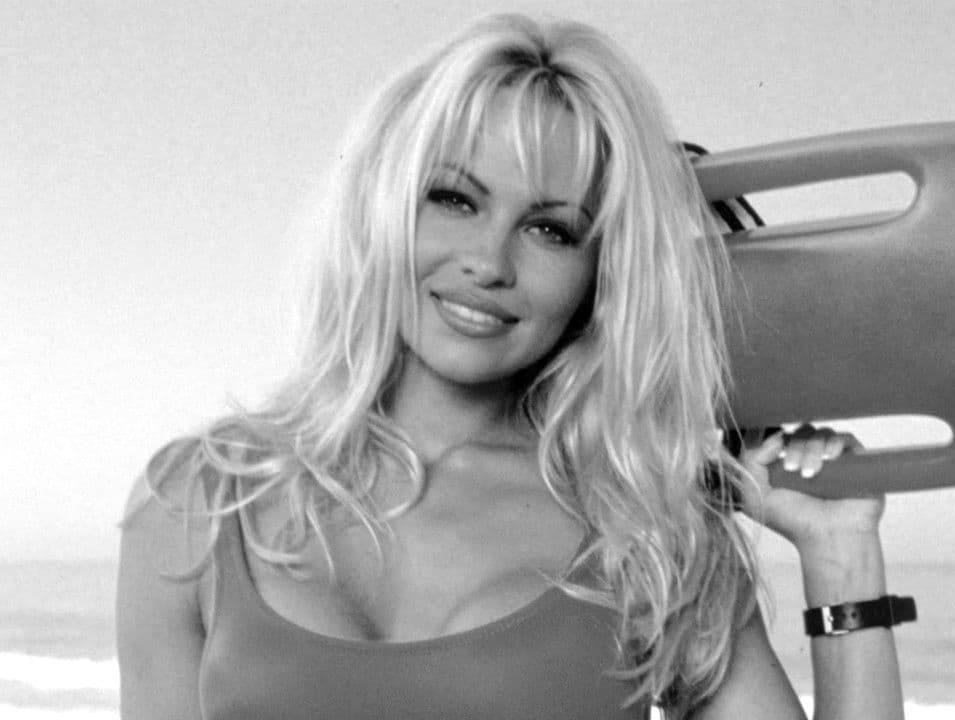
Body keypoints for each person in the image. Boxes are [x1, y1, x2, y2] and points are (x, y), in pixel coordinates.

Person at [117, 13, 906, 720]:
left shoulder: (647, 526)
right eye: (454, 199)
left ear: (600, 273)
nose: (489, 263)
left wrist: (840, 555)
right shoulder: (200, 502)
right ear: (384, 207)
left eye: (550, 231)